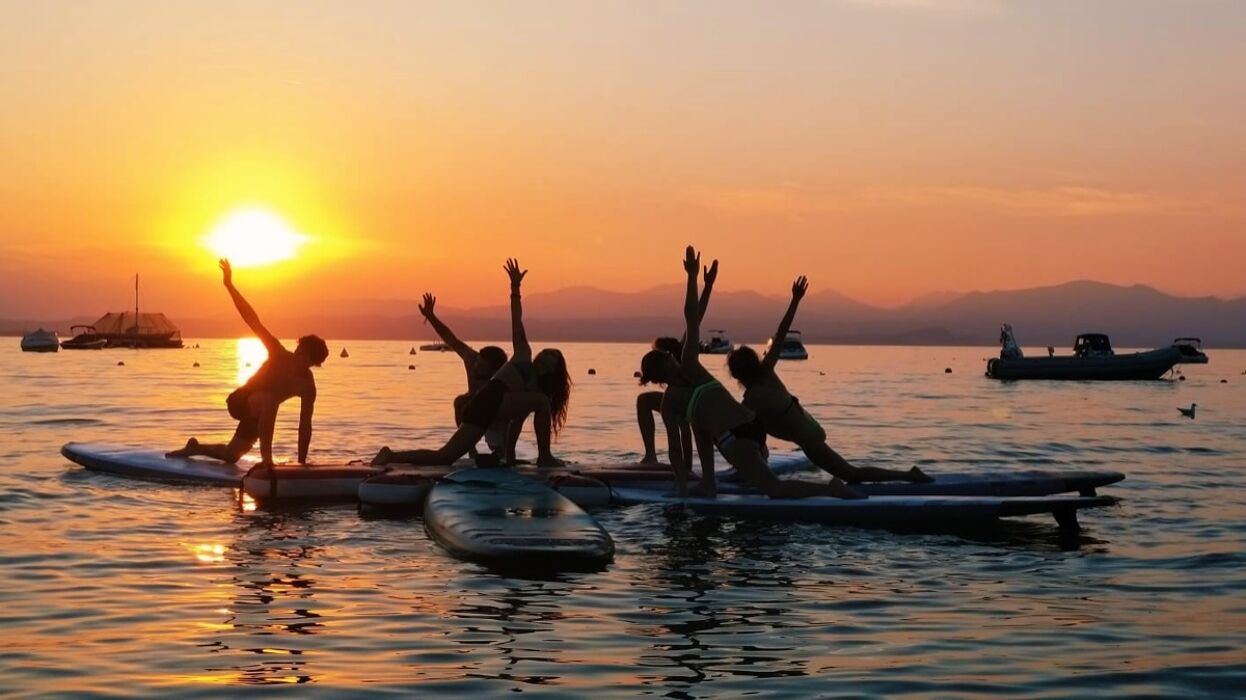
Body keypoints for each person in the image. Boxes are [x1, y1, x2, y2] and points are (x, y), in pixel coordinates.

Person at [639, 246, 863, 500]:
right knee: (699, 423)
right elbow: (676, 450)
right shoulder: (690, 373)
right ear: (665, 366)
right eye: (669, 356)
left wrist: (693, 278)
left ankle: (830, 490)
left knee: (773, 489)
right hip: (752, 428)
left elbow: (692, 319)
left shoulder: (678, 386)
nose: (673, 355)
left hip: (736, 439)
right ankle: (708, 484)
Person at [727, 276, 931, 485]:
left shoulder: (752, 398)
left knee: (851, 475)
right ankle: (753, 466)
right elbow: (780, 333)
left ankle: (909, 476)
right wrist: (795, 299)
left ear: (735, 375)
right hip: (810, 428)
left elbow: (780, 333)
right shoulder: (766, 374)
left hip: (808, 437)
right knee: (754, 428)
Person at [372, 258, 570, 467]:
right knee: (541, 402)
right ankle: (545, 457)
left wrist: (510, 459)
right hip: (488, 401)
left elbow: (516, 422)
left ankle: (391, 456)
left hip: (485, 408)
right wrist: (515, 287)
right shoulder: (523, 355)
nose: (547, 353)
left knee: (444, 458)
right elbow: (516, 320)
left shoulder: (532, 392)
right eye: (547, 352)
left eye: (553, 355)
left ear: (555, 369)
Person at [168, 259, 328, 466]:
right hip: (241, 401)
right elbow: (252, 320)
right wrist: (229, 285)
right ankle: (267, 461)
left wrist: (302, 463)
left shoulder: (307, 386)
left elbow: (305, 425)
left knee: (230, 456)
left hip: (260, 416)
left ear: (312, 362)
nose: (298, 356)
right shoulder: (278, 353)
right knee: (270, 400)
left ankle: (194, 448)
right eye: (299, 350)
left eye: (305, 356)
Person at [417, 292, 520, 463]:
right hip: (474, 409)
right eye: (477, 362)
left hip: (496, 412)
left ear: (494, 370)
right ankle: (470, 450)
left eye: (482, 367)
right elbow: (450, 338)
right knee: (460, 401)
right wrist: (431, 316)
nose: (476, 368)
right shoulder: (471, 358)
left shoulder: (502, 375)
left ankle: (505, 453)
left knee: (501, 452)